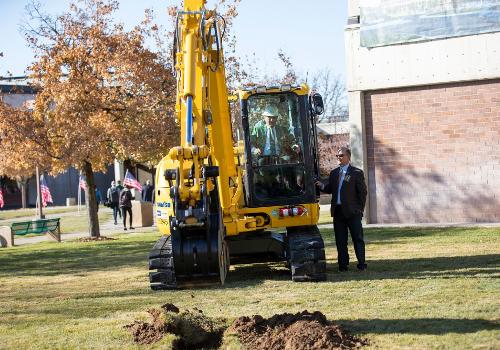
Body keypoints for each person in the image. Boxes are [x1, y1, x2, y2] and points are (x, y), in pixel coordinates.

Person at [316, 146, 368, 271]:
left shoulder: (356, 173)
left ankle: (361, 264)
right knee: (340, 241)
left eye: (341, 155)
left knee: (357, 238)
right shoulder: (334, 173)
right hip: (338, 212)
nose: (338, 158)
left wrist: (360, 210)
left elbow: (363, 193)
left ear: (348, 157)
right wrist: (320, 185)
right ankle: (343, 265)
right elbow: (329, 189)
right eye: (337, 156)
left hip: (352, 212)